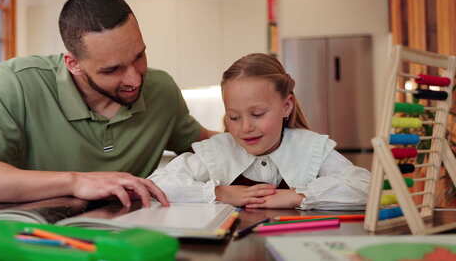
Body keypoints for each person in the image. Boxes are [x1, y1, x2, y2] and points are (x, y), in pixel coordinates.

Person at [0, 0, 216, 208]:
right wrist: (75, 182)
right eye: (112, 69)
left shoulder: (161, 90)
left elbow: (216, 151)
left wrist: (255, 128)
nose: (135, 78)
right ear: (73, 63)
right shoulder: (19, 82)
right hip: (35, 245)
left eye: (139, 56)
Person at [148, 53, 371, 210]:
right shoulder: (217, 151)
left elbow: (365, 186)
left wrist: (296, 196)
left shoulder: (310, 148)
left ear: (287, 106)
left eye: (257, 114)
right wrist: (219, 193)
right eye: (234, 117)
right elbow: (157, 184)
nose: (245, 127)